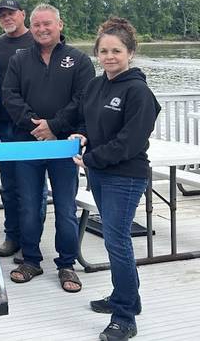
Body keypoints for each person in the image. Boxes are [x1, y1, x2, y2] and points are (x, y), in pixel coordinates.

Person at [70, 17, 160, 341]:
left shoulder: (138, 92)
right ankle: (125, 297)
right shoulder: (96, 85)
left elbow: (130, 141)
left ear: (130, 52)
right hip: (100, 174)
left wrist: (91, 157)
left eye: (116, 51)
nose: (109, 56)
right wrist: (80, 134)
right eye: (104, 51)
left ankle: (125, 317)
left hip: (126, 176)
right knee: (113, 240)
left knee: (117, 242)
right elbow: (84, 118)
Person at [3, 3, 95, 292]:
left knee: (66, 208)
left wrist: (54, 126)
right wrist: (35, 125)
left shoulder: (79, 60)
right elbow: (10, 95)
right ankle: (31, 259)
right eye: (37, 24)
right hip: (27, 145)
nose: (42, 29)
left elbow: (83, 99)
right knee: (29, 204)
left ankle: (67, 263)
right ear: (31, 27)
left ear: (60, 25)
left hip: (63, 147)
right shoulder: (19, 59)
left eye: (48, 24)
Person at [0, 0, 41, 259]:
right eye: (2, 16)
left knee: (34, 189)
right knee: (8, 186)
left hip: (33, 127)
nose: (7, 19)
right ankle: (12, 236)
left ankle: (33, 240)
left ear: (23, 14)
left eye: (11, 14)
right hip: (5, 124)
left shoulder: (38, 40)